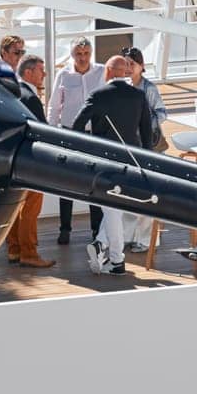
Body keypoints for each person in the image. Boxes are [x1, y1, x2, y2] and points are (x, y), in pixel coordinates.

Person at [72, 55, 153, 275]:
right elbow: (147, 132)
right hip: (133, 159)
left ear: (107, 72)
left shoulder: (98, 95)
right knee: (115, 209)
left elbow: (77, 125)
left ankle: (114, 258)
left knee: (111, 209)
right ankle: (106, 249)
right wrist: (148, 161)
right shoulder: (138, 95)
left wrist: (83, 150)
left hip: (105, 161)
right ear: (125, 72)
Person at [47, 36, 106, 244]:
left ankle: (97, 231)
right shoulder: (63, 74)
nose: (83, 58)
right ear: (72, 55)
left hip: (93, 135)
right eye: (79, 54)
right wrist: (52, 134)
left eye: (86, 53)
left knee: (94, 182)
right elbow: (55, 106)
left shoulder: (101, 72)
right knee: (67, 181)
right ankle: (65, 229)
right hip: (69, 133)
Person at [5, 54, 55, 269]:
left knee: (16, 208)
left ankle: (14, 249)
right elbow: (41, 131)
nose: (44, 74)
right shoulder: (31, 98)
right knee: (31, 209)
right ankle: (30, 253)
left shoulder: (14, 92)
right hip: (31, 163)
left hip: (13, 161)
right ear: (28, 72)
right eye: (40, 70)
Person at [120, 45, 168, 252]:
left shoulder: (149, 88)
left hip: (149, 146)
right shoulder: (122, 85)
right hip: (130, 145)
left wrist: (145, 124)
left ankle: (146, 240)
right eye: (126, 64)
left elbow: (162, 113)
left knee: (149, 194)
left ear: (141, 66)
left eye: (133, 64)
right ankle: (128, 236)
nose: (129, 68)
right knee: (129, 191)